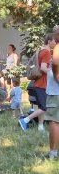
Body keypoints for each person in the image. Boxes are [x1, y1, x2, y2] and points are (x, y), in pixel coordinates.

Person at [19, 34, 56, 132]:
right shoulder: (47, 52)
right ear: (49, 41)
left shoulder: (41, 51)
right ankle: (25, 120)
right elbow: (43, 68)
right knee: (44, 107)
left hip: (39, 84)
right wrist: (54, 74)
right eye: (54, 41)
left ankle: (40, 127)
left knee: (42, 106)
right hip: (41, 85)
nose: (55, 43)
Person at [44, 28, 59, 159]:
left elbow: (55, 62)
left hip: (56, 93)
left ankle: (53, 153)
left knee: (54, 121)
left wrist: (56, 74)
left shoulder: (58, 49)